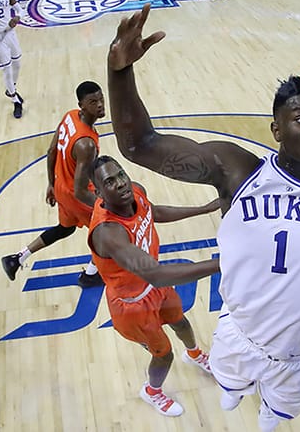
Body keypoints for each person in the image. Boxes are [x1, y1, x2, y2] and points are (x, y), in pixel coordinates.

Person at [106, 0, 300, 431]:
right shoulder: (236, 171)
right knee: (230, 392)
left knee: (274, 421)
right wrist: (119, 73)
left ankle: (269, 412)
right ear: (276, 130)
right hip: (238, 336)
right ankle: (233, 390)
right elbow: (140, 146)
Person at [88, 155, 221, 417]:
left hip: (155, 288)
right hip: (132, 305)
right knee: (164, 353)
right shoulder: (108, 233)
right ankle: (152, 392)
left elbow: (152, 212)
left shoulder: (135, 191)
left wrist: (203, 209)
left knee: (180, 321)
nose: (122, 183)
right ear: (99, 192)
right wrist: (221, 264)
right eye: (110, 182)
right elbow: (157, 274)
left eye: (121, 175)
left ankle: (194, 354)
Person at [1, 81, 107, 287]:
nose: (100, 105)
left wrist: (51, 184)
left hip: (60, 187)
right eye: (93, 102)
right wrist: (106, 205)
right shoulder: (86, 144)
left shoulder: (70, 117)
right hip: (77, 194)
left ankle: (17, 258)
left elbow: (51, 151)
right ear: (82, 105)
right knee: (107, 228)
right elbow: (80, 190)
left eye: (101, 99)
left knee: (65, 229)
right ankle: (91, 275)